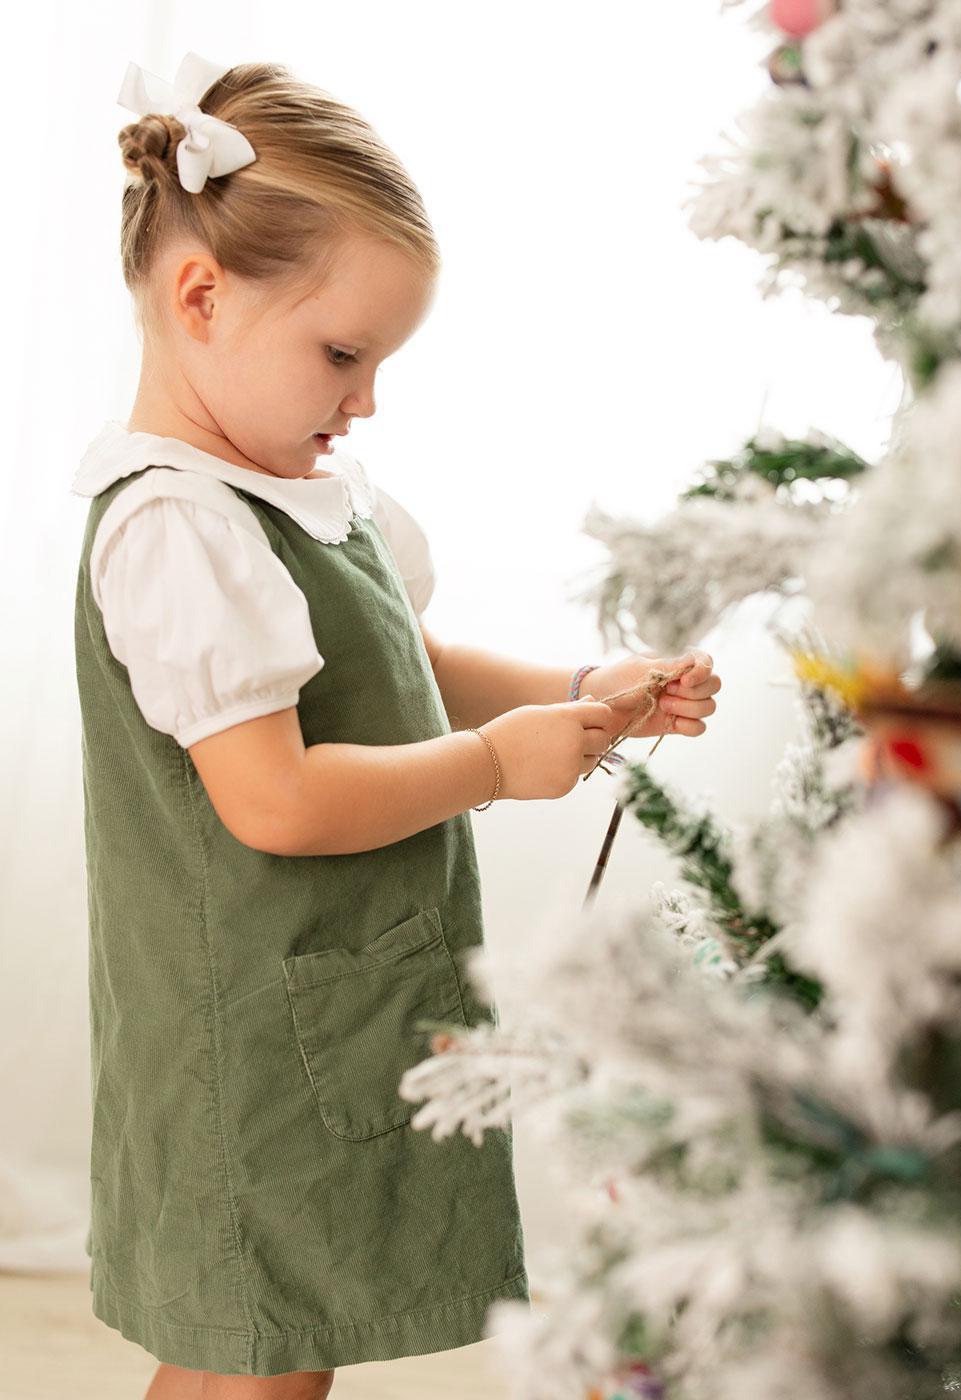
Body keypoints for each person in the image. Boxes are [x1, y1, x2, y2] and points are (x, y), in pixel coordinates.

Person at [70, 51, 722, 1400]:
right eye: (343, 353)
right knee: (254, 1353)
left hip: (331, 1007)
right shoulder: (179, 528)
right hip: (248, 1042)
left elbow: (405, 662)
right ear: (201, 297)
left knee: (295, 1344)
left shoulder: (295, 494)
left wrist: (576, 692)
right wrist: (492, 767)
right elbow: (276, 800)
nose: (365, 399)